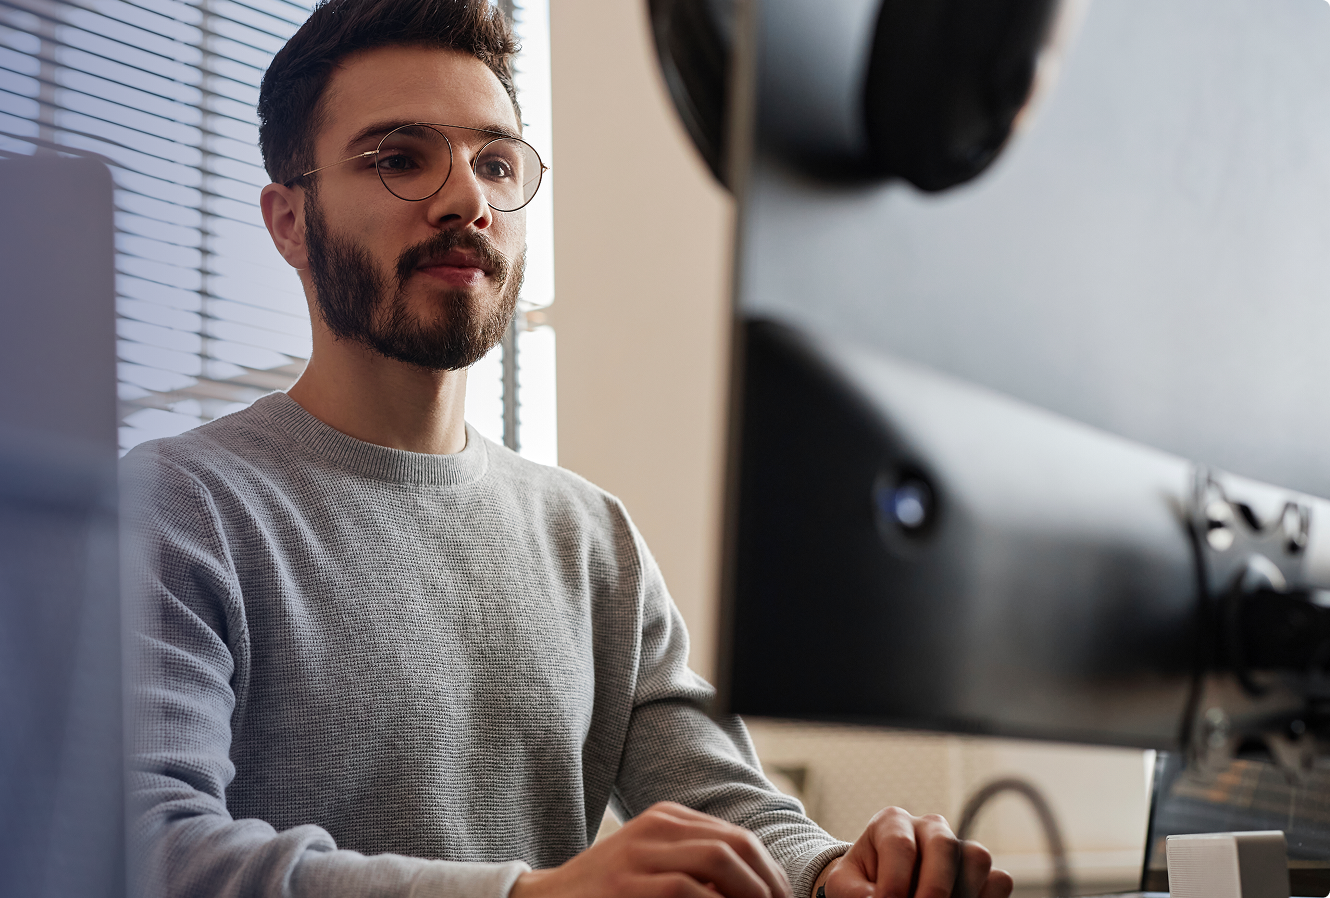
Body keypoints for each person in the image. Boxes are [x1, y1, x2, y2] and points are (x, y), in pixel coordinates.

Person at [125, 1, 1014, 897]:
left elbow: (724, 804)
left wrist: (834, 875)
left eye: (495, 163)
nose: (467, 200)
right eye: (399, 159)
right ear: (288, 222)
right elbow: (146, 851)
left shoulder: (589, 534)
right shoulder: (174, 505)